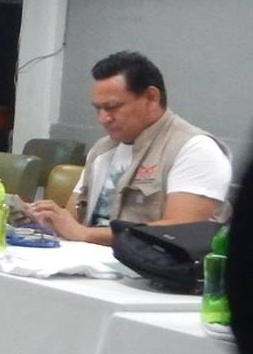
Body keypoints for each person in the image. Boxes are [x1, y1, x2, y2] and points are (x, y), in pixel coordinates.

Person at [26, 51, 231, 242]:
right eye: (98, 109)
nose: (103, 118)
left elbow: (182, 231)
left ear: (151, 98)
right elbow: (73, 220)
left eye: (112, 107)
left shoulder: (194, 148)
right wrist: (46, 218)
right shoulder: (102, 149)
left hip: (145, 267)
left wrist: (87, 234)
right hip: (87, 259)